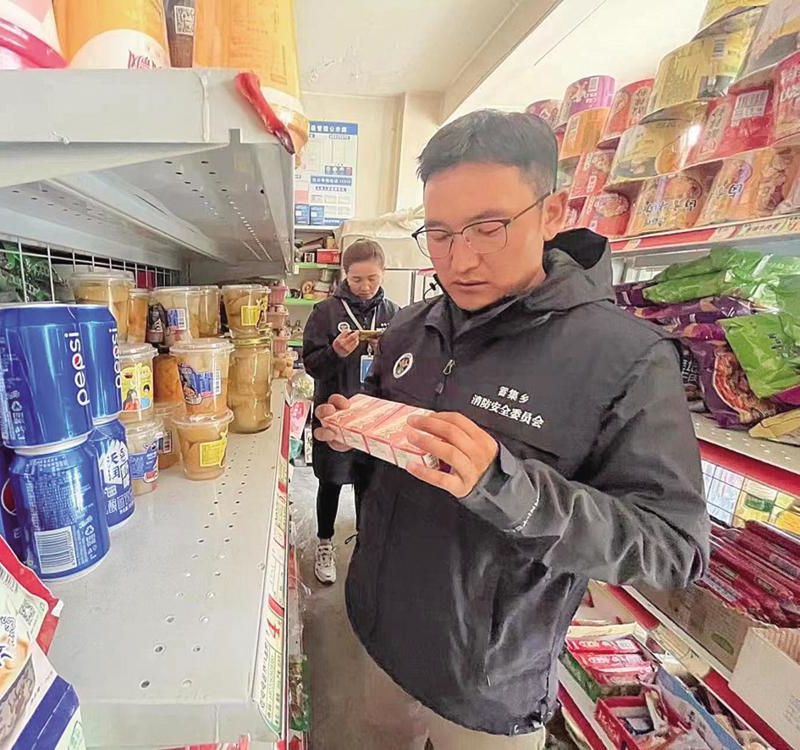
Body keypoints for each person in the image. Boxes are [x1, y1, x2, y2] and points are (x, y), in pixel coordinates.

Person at [314, 110, 710, 748]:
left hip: (487, 680)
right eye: (438, 234)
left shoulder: (625, 358)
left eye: (488, 228)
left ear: (550, 213)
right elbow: (385, 468)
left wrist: (507, 486)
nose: (460, 259)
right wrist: (350, 435)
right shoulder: (410, 328)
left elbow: (673, 547)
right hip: (380, 628)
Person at [302, 239, 399, 585]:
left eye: (372, 278)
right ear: (345, 275)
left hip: (374, 418)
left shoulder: (394, 314)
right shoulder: (325, 312)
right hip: (335, 414)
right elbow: (311, 365)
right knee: (330, 481)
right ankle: (324, 543)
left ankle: (364, 547)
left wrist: (388, 352)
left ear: (383, 273)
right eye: (357, 279)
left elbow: (405, 370)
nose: (365, 286)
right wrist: (335, 353)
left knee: (368, 486)